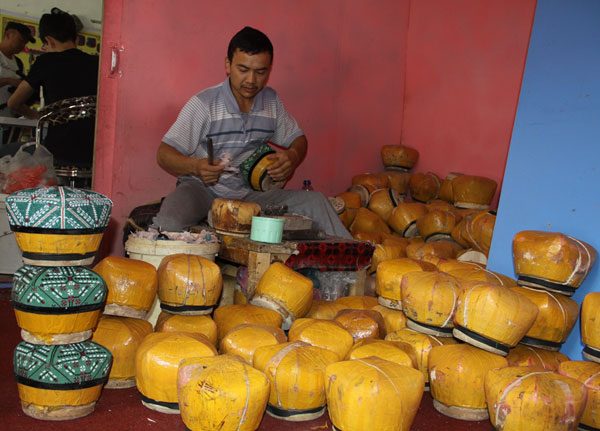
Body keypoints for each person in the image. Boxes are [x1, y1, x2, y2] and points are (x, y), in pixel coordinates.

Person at [153, 26, 351, 238]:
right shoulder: (204, 104)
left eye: (260, 72)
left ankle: (358, 263)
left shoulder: (271, 102)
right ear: (228, 65)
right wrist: (196, 167)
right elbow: (164, 154)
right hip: (200, 189)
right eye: (243, 69)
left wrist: (292, 157)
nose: (251, 80)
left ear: (269, 69)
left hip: (250, 196)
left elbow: (298, 139)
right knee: (167, 223)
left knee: (315, 201)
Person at [7, 9, 99, 167]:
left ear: (48, 40)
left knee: (6, 151)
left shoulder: (45, 62)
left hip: (59, 153)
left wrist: (36, 116)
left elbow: (13, 103)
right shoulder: (97, 63)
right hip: (95, 152)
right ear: (76, 39)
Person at [0, 22, 35, 118]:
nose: (22, 46)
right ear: (8, 35)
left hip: (10, 119)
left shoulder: (19, 63)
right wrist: (9, 81)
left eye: (25, 43)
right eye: (20, 40)